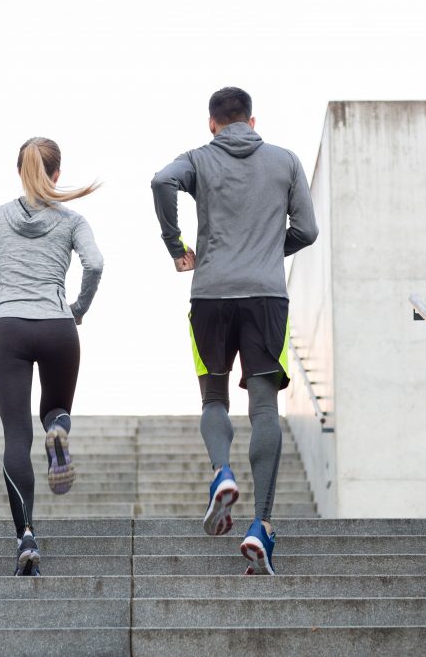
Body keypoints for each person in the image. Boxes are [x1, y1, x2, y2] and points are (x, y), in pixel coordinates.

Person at [151, 87, 318, 575]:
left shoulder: (198, 159)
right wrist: (267, 249)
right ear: (252, 119)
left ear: (212, 123)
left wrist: (175, 244)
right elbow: (306, 231)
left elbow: (161, 181)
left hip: (210, 295)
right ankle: (259, 525)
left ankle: (221, 472)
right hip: (267, 296)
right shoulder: (285, 161)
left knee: (213, 399)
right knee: (264, 406)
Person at [0, 137, 103, 576]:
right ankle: (59, 430)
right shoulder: (72, 220)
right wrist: (78, 308)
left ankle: (26, 535)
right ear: (57, 174)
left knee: (16, 436)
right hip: (58, 325)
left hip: (8, 327)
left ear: (19, 172)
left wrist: (15, 276)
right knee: (54, 409)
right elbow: (95, 264)